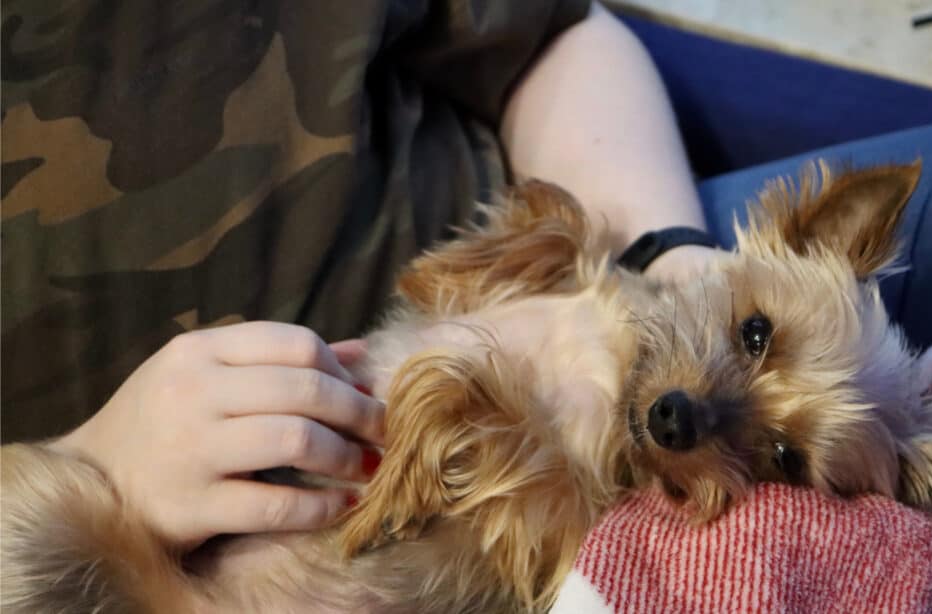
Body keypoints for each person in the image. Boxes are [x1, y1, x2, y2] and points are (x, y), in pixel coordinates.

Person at [2, 1, 719, 551]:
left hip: (601, 250)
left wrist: (665, 257)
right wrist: (82, 472)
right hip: (124, 547)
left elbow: (554, 35)